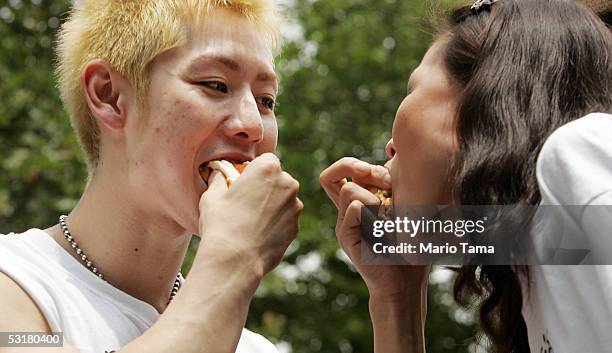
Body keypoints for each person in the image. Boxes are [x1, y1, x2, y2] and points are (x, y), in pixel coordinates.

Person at [0, 1, 303, 353]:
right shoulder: (17, 288)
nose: (252, 125)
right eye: (216, 85)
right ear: (109, 96)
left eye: (266, 101)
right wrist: (236, 257)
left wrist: (384, 283)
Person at [320, 0, 612, 352]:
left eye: (411, 90)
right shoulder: (536, 273)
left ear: (485, 93)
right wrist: (398, 297)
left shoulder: (583, 151)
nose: (389, 148)